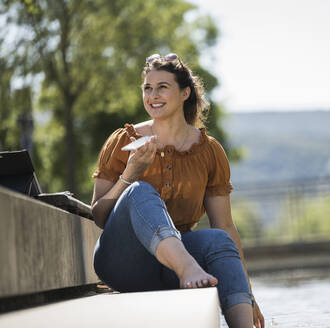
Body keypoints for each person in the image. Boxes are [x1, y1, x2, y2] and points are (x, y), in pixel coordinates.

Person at [90, 53, 264, 328]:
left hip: (171, 263)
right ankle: (187, 268)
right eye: (147, 88)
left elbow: (226, 226)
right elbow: (98, 215)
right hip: (124, 262)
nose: (152, 95)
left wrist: (249, 293)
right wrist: (129, 175)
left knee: (219, 239)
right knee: (140, 191)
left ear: (185, 93)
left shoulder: (209, 151)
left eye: (162, 87)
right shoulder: (124, 141)